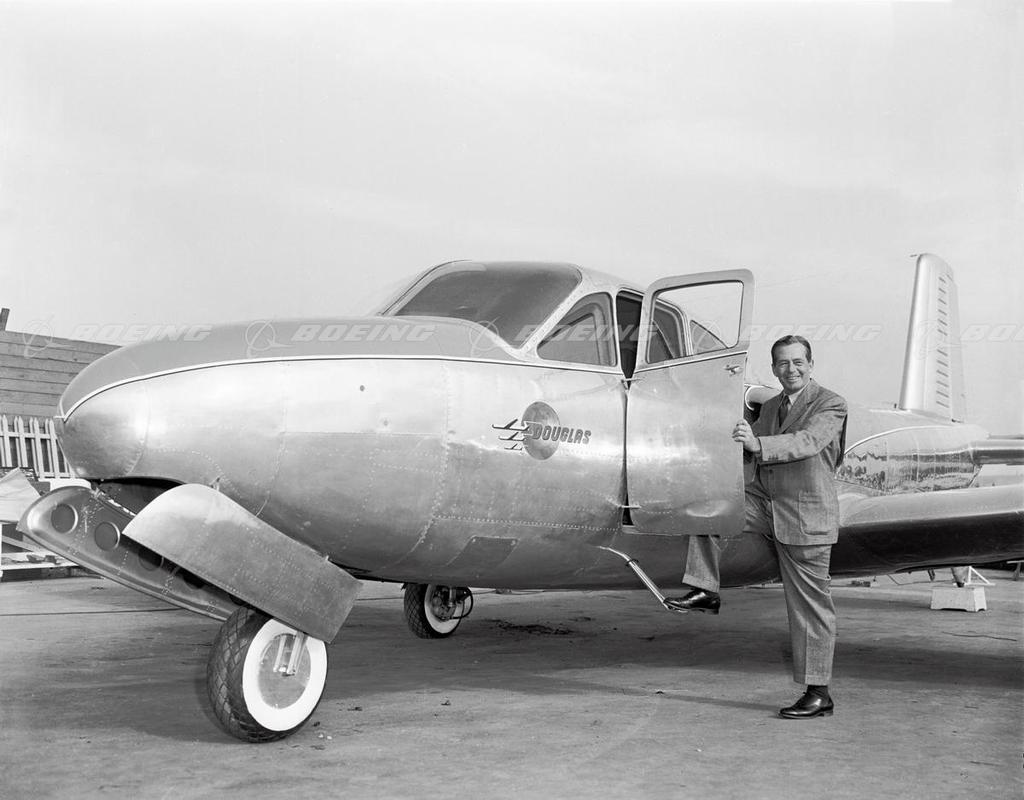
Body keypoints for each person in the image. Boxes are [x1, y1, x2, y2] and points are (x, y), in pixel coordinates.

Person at [664, 334, 848, 719]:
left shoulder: (830, 404)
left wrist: (757, 444)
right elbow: (750, 454)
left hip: (806, 517)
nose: (790, 370)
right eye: (782, 363)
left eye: (798, 362)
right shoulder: (772, 406)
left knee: (810, 609)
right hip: (766, 503)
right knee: (711, 506)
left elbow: (806, 442)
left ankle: (819, 693)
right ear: (774, 368)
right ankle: (705, 588)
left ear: (810, 365)